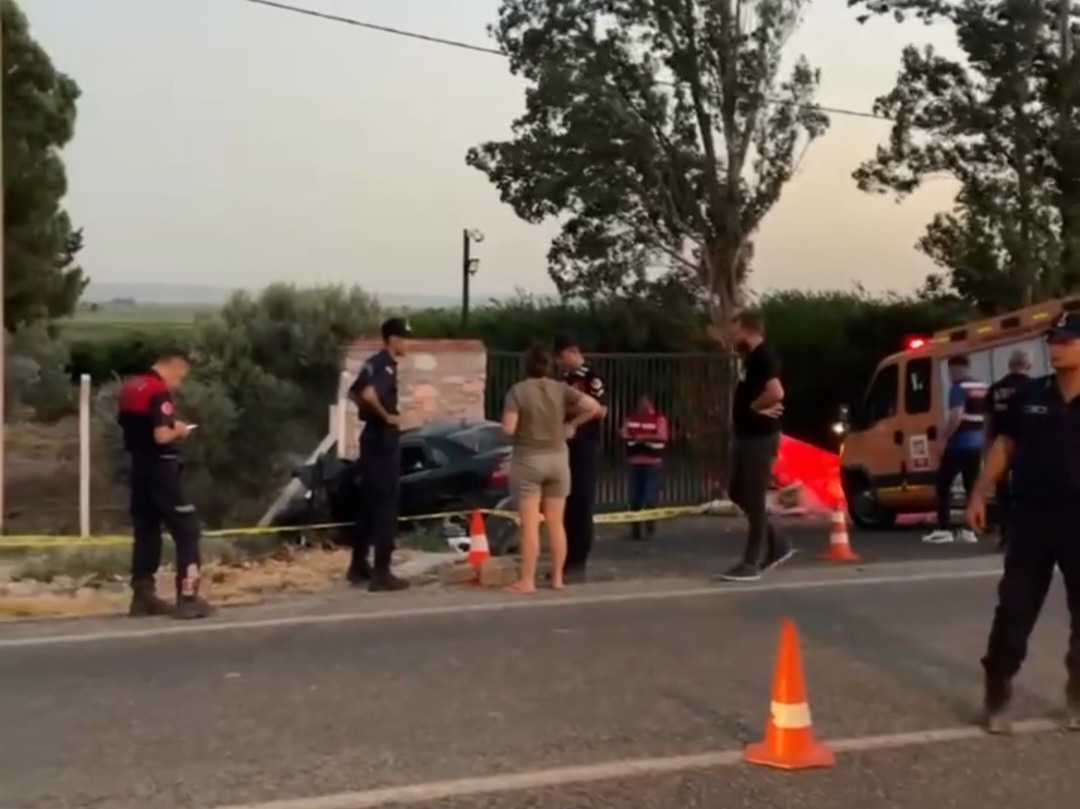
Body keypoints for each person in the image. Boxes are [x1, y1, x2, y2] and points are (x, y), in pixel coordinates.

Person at [966, 312, 1080, 733]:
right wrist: (979, 491)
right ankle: (997, 689)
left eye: (1066, 341)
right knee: (1014, 608)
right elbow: (1005, 445)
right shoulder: (1029, 395)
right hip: (1031, 516)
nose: (1055, 348)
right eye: (1052, 340)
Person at [117, 346, 212, 619]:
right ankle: (188, 597)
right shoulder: (158, 391)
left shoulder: (130, 387)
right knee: (187, 530)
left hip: (138, 465)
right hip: (161, 467)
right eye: (180, 375)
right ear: (174, 364)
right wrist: (178, 430)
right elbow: (160, 435)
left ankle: (142, 596)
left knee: (146, 530)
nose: (178, 382)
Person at [501, 344, 604, 593]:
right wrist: (572, 424)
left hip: (529, 460)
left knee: (530, 524)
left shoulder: (518, 391)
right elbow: (593, 407)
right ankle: (558, 578)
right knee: (556, 523)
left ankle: (527, 581)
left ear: (526, 366)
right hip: (558, 460)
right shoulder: (561, 389)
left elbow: (508, 429)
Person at [713, 310, 794, 582]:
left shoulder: (764, 356)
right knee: (738, 492)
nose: (733, 336)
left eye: (736, 330)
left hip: (760, 437)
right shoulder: (751, 358)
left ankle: (751, 561)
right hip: (747, 435)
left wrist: (754, 407)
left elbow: (776, 392)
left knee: (754, 494)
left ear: (748, 330)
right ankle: (776, 543)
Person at [345, 317, 412, 593]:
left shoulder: (371, 363)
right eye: (404, 337)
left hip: (370, 441)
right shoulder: (385, 366)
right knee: (386, 506)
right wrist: (387, 416)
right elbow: (369, 393)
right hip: (383, 441)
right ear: (392, 338)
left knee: (369, 504)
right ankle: (382, 572)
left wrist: (369, 412)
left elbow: (354, 392)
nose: (407, 342)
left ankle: (358, 565)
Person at [553, 333, 607, 582]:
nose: (559, 362)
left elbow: (600, 409)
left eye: (561, 356)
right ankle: (564, 560)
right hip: (565, 447)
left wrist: (573, 419)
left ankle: (578, 561)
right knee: (566, 502)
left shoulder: (591, 376)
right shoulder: (563, 380)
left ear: (573, 352)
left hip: (585, 445)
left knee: (582, 502)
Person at [923, 355, 987, 545]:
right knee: (971, 487)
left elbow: (956, 416)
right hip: (976, 444)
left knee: (943, 485)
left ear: (955, 369)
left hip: (959, 444)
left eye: (950, 372)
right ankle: (970, 529)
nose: (950, 376)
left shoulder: (958, 388)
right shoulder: (981, 387)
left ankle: (944, 529)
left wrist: (944, 438)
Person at [984, 350, 1031, 553]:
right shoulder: (1033, 388)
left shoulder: (995, 389)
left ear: (1010, 365)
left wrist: (987, 445)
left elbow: (988, 420)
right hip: (1026, 446)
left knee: (1002, 491)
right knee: (1026, 491)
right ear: (1028, 365)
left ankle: (1006, 534)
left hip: (999, 447)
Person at [620, 393, 668, 540]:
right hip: (635, 461)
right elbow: (623, 432)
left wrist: (643, 437)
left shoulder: (658, 419)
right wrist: (626, 434)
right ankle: (635, 530)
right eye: (640, 404)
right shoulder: (631, 418)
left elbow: (662, 436)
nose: (642, 407)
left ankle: (650, 527)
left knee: (650, 496)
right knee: (635, 497)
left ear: (650, 404)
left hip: (652, 462)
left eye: (644, 404)